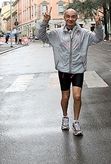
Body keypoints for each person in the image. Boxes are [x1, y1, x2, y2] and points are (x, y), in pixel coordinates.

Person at [36, 7, 104, 136]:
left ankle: (76, 121)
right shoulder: (56, 34)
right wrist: (44, 22)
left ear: (76, 18)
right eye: (68, 16)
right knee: (65, 97)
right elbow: (41, 36)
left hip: (78, 69)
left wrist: (99, 25)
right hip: (63, 70)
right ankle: (65, 117)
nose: (70, 19)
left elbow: (98, 38)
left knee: (77, 96)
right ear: (64, 18)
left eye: (73, 16)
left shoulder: (84, 33)